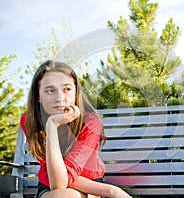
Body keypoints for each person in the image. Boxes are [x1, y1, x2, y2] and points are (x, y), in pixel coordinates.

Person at [20, 60, 131, 198]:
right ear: (38, 96)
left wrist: (109, 191)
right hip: (50, 186)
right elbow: (57, 182)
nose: (60, 98)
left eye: (67, 89)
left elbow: (62, 179)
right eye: (50, 91)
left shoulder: (90, 123)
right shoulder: (29, 120)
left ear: (76, 92)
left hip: (90, 185)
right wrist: (52, 126)